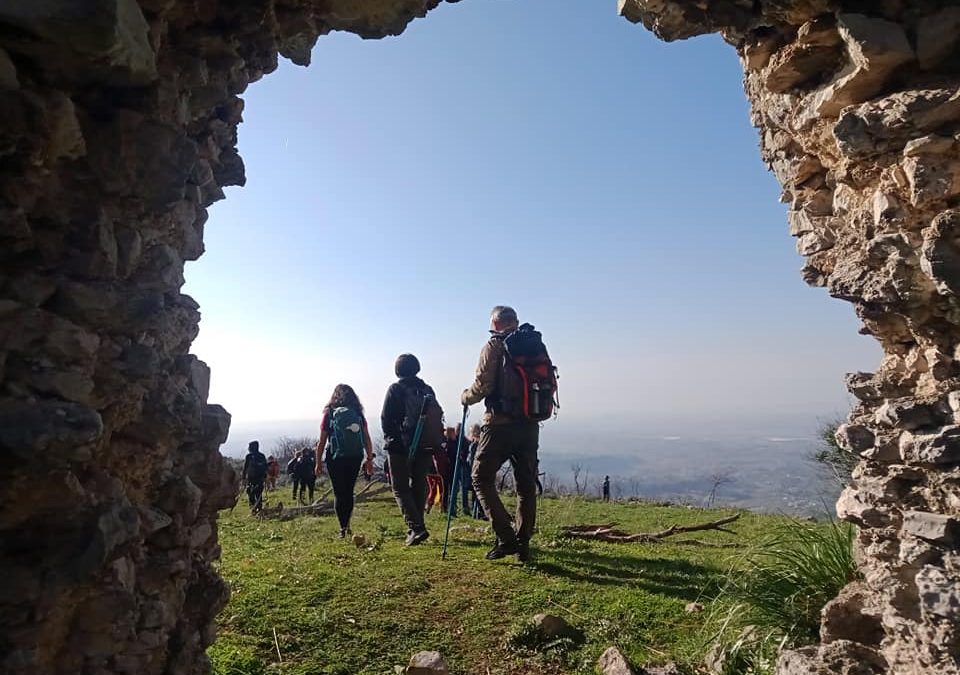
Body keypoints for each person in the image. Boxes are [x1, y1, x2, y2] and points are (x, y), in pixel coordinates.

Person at [462, 306, 540, 562]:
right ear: (515, 322)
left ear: (495, 323)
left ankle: (506, 537)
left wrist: (465, 397)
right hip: (530, 424)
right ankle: (523, 544)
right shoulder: (534, 344)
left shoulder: (494, 345)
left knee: (480, 477)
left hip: (499, 424)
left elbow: (483, 386)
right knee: (526, 485)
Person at [381, 353, 444, 546]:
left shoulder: (396, 389)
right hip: (426, 444)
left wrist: (392, 440)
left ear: (398, 370)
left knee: (399, 488)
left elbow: (386, 418)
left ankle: (416, 528)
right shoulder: (427, 389)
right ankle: (418, 527)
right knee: (419, 485)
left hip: (400, 445)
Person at [315, 384, 374, 538]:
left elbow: (322, 441)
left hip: (335, 457)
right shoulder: (358, 414)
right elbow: (366, 438)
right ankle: (347, 525)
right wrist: (369, 459)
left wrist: (318, 462)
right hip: (355, 456)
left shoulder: (330, 414)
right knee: (349, 491)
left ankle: (343, 528)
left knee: (339, 493)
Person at [241, 440, 268, 514]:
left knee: (253, 493)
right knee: (256, 493)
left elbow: (245, 468)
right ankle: (257, 508)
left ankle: (254, 508)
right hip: (257, 478)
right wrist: (265, 477)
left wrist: (243, 477)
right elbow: (265, 467)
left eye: (249, 447)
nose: (248, 448)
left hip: (254, 478)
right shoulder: (261, 456)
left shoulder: (249, 456)